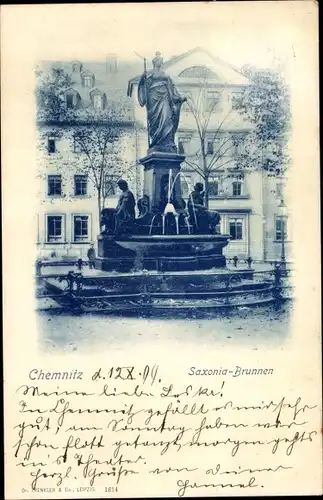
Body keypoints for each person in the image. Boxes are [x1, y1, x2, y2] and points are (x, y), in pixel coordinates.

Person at [136, 52, 186, 153]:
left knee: (167, 118)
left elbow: (172, 88)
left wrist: (179, 98)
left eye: (162, 61)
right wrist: (142, 79)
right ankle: (156, 142)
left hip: (164, 97)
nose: (161, 62)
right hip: (153, 99)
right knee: (155, 121)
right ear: (155, 62)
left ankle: (167, 142)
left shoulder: (165, 75)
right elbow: (144, 86)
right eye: (159, 61)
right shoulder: (149, 74)